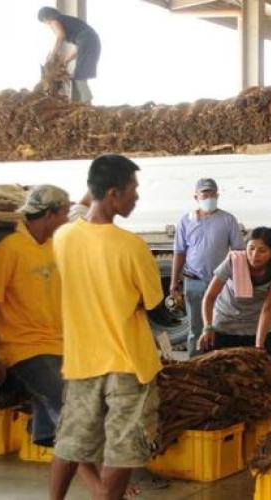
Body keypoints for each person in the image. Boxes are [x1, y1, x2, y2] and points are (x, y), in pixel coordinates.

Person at [49, 155, 163, 500]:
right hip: (129, 362)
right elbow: (153, 303)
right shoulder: (132, 246)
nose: (136, 197)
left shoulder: (63, 237)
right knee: (123, 446)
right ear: (113, 194)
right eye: (133, 190)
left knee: (72, 441)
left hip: (83, 359)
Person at [0, 185, 70, 449]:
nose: (66, 219)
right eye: (64, 213)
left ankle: (51, 443)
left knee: (63, 419)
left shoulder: (54, 247)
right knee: (74, 409)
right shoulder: (8, 251)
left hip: (57, 345)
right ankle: (102, 481)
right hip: (24, 349)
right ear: (50, 214)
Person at [170, 178, 244, 356]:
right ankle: (195, 363)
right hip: (194, 281)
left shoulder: (228, 220)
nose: (209, 197)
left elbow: (238, 252)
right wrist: (174, 281)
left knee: (219, 325)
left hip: (220, 282)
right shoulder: (185, 221)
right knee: (196, 327)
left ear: (217, 195)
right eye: (205, 194)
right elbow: (179, 252)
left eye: (212, 194)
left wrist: (239, 283)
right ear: (196, 197)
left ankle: (217, 363)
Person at [197, 227, 271, 368]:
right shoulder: (233, 261)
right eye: (251, 248)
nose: (255, 255)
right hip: (224, 324)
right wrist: (207, 327)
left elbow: (267, 309)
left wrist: (258, 346)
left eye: (262, 251)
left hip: (256, 327)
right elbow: (209, 297)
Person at [38, 7, 101, 103]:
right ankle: (75, 103)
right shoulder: (66, 20)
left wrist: (53, 55)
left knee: (80, 75)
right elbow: (80, 47)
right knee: (77, 75)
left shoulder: (54, 20)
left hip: (88, 41)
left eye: (45, 23)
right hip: (92, 41)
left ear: (45, 18)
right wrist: (67, 59)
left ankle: (87, 102)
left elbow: (60, 36)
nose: (47, 25)